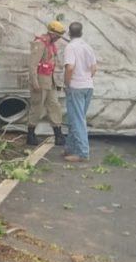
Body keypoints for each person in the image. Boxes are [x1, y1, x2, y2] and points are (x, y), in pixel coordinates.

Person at [27, 21, 66, 147]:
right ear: (52, 34)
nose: (59, 38)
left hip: (50, 81)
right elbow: (33, 65)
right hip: (40, 81)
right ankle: (31, 133)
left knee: (54, 106)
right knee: (37, 107)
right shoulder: (40, 44)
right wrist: (34, 82)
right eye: (58, 36)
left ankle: (58, 134)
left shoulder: (51, 45)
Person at [63, 21, 97, 162]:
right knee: (77, 118)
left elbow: (70, 68)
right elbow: (94, 68)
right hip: (88, 86)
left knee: (77, 121)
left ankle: (83, 153)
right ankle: (70, 148)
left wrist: (67, 83)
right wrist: (87, 78)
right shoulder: (87, 46)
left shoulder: (70, 47)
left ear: (69, 33)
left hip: (76, 87)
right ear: (81, 32)